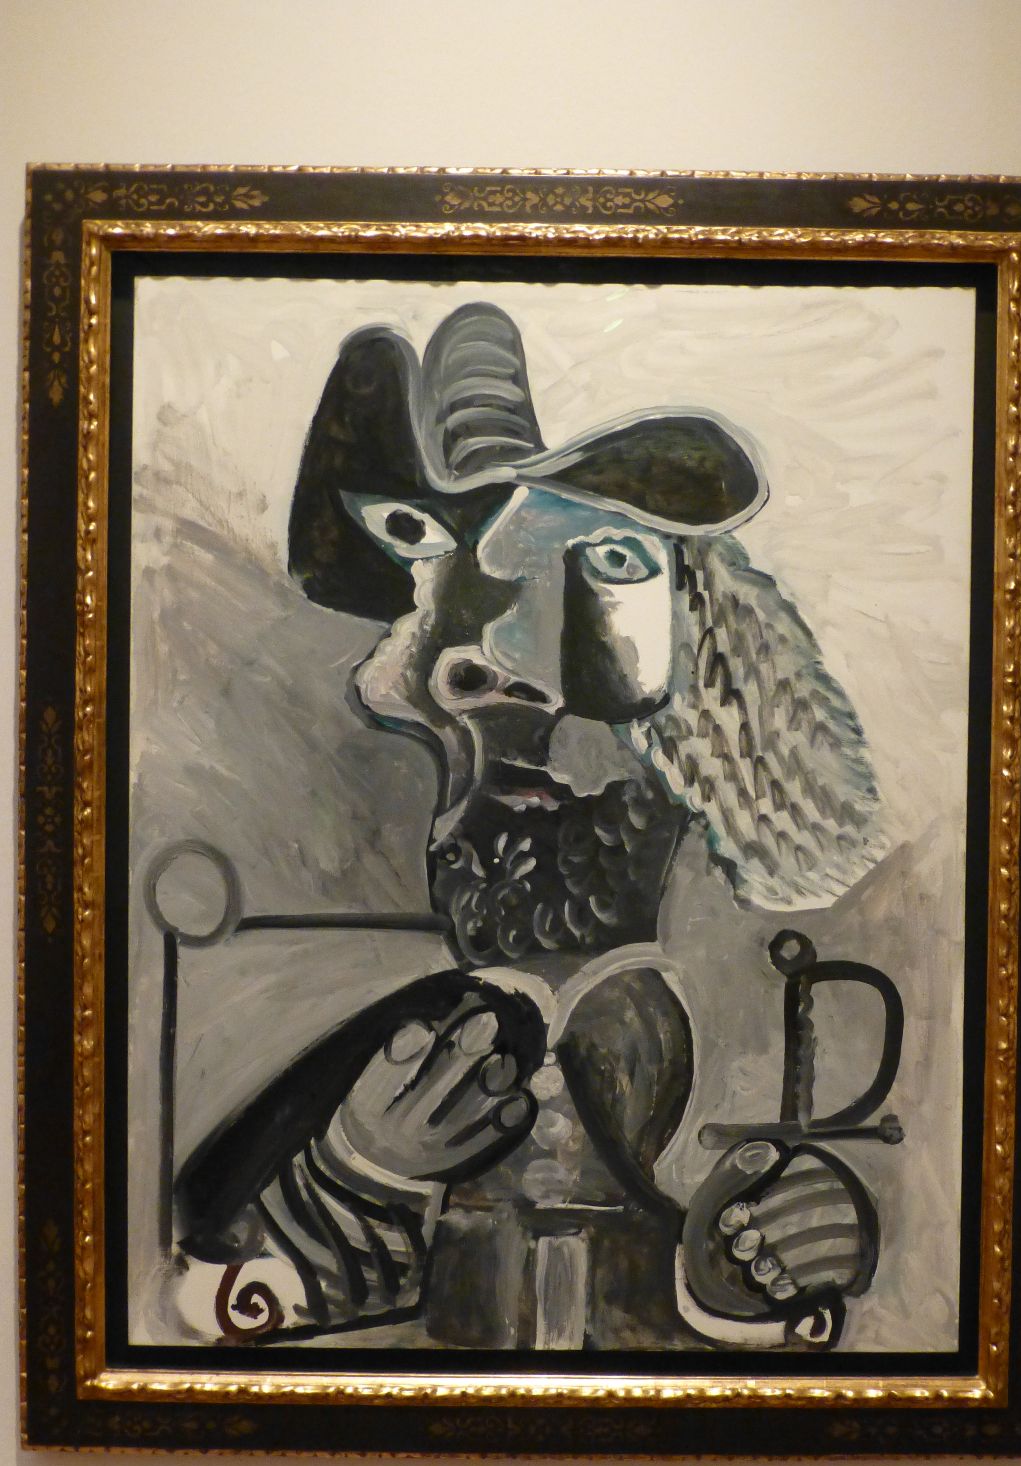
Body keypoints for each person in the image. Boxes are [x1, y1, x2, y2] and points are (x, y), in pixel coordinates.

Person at [172, 303, 893, 1351]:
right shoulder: (343, 975)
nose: (494, 676)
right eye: (445, 570)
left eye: (600, 565)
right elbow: (196, 1306)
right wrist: (358, 1177)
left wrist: (736, 1279)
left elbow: (692, 1300)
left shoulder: (767, 966)